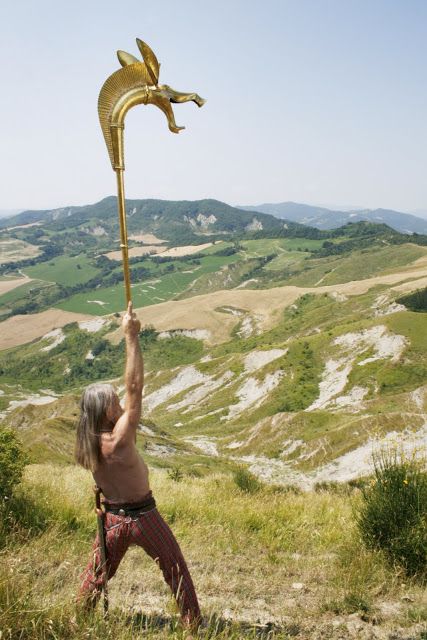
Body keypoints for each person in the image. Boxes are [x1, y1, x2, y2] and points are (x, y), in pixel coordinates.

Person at [75, 302, 201, 633]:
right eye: (113, 402)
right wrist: (131, 336)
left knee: (97, 574)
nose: (120, 404)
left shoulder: (88, 443)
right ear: (105, 412)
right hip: (144, 515)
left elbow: (126, 395)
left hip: (113, 519)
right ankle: (193, 625)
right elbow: (135, 388)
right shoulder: (118, 437)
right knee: (175, 570)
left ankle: (79, 619)